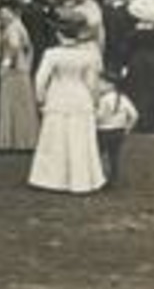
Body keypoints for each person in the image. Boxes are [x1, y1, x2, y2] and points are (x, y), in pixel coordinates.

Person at [27, 11, 106, 194]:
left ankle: (52, 178)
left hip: (58, 95)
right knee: (79, 138)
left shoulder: (52, 54)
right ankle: (81, 179)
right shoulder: (89, 55)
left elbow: (40, 80)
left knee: (56, 137)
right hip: (81, 97)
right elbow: (91, 83)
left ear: (59, 34)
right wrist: (95, 102)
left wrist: (40, 98)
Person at [0, 2, 40, 152]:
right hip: (22, 69)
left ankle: (10, 141)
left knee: (10, 104)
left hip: (13, 72)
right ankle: (24, 140)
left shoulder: (12, 27)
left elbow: (14, 47)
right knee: (22, 105)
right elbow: (28, 47)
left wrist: (7, 64)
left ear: (12, 12)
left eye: (4, 12)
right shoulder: (19, 26)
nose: (2, 15)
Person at [94, 72, 139, 188]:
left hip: (104, 131)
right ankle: (114, 179)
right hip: (119, 132)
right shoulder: (123, 98)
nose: (98, 86)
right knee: (114, 156)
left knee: (98, 155)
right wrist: (127, 128)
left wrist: (92, 119)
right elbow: (134, 115)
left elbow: (100, 116)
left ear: (110, 85)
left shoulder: (104, 100)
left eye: (101, 83)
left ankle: (97, 178)